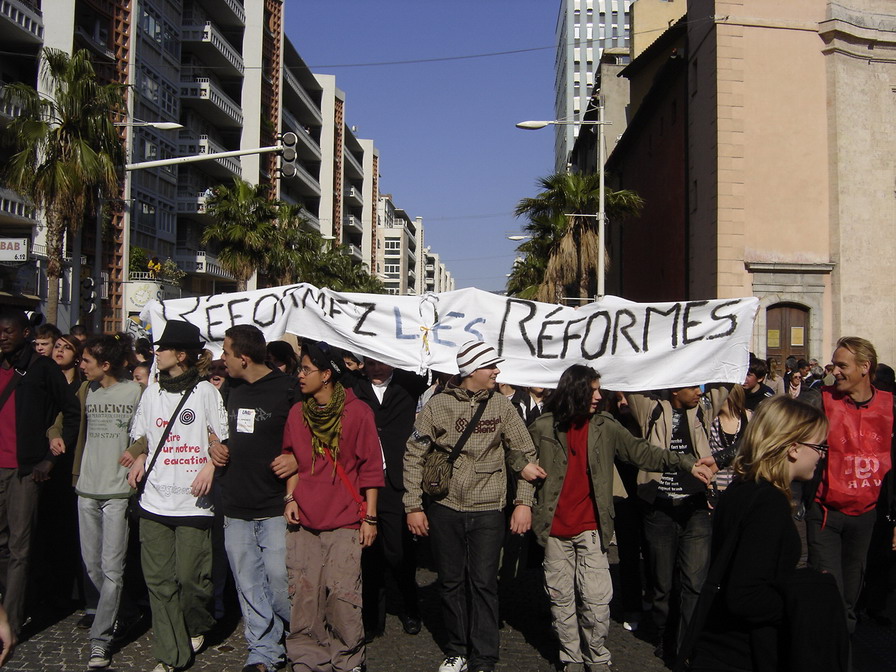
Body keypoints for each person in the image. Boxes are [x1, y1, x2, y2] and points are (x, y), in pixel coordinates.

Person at [529, 365, 713, 672]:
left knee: (597, 602)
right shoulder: (543, 427)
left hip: (592, 528)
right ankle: (571, 660)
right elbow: (519, 458)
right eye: (594, 391)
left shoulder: (605, 425)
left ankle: (597, 658)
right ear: (576, 392)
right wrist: (523, 474)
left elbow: (643, 452)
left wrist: (685, 463)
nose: (600, 396)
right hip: (554, 529)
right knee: (561, 602)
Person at [404, 340, 545, 672]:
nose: (497, 371)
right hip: (445, 508)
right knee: (450, 581)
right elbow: (413, 455)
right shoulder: (437, 406)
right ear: (471, 371)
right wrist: (413, 505)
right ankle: (457, 649)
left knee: (483, 583)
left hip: (488, 510)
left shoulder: (501, 406)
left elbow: (526, 454)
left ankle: (484, 657)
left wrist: (523, 502)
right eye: (491, 366)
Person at [690, 396, 846, 672]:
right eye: (819, 446)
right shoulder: (767, 502)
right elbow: (746, 596)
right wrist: (809, 595)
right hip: (742, 653)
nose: (822, 454)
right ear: (794, 448)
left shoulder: (744, 488)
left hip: (722, 646)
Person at [128, 321, 228, 672]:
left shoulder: (205, 393)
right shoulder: (152, 392)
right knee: (159, 582)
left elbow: (223, 440)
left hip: (193, 503)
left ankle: (198, 624)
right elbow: (140, 434)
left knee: (190, 579)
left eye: (163, 348)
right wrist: (138, 455)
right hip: (154, 501)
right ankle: (171, 655)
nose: (157, 352)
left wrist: (211, 468)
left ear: (181, 355)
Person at [282, 341, 383, 672]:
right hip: (304, 522)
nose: (300, 375)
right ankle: (307, 660)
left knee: (343, 598)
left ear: (327, 375)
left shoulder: (359, 412)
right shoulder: (298, 413)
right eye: (299, 369)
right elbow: (292, 459)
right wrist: (290, 498)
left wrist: (370, 517)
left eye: (306, 369)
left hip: (345, 520)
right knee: (304, 597)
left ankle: (348, 659)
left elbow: (371, 469)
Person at [210, 325, 298, 672]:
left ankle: (300, 637)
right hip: (235, 503)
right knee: (248, 583)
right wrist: (215, 446)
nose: (222, 359)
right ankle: (263, 651)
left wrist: (296, 459)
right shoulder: (229, 388)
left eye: (226, 353)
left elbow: (311, 436)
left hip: (276, 504)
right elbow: (219, 429)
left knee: (279, 582)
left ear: (243, 358)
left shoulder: (290, 389)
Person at [625, 382, 731, 663]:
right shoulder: (652, 409)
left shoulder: (704, 410)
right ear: (674, 390)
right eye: (693, 387)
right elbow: (632, 381)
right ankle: (663, 633)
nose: (699, 392)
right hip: (659, 508)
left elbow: (726, 380)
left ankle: (687, 642)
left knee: (695, 582)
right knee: (662, 585)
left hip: (694, 507)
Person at [804, 337, 895, 635]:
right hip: (825, 513)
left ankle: (843, 652)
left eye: (842, 365)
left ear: (865, 367)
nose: (835, 372)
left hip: (868, 515)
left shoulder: (891, 405)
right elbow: (779, 426)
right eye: (833, 365)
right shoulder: (819, 398)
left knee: (849, 597)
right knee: (827, 591)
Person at [65, 335, 144, 669]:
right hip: (86, 488)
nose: (82, 366)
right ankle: (127, 612)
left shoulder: (136, 393)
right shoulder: (86, 390)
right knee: (93, 565)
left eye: (87, 361)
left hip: (117, 492)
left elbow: (147, 432)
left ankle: (101, 640)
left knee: (112, 568)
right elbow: (65, 415)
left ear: (106, 365)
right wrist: (55, 434)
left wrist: (136, 451)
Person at [0, 308, 79, 636]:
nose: (3, 336)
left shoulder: (42, 368)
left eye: (9, 331)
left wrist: (49, 458)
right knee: (2, 546)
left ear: (26, 334)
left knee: (20, 547)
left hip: (25, 470)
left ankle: (13, 624)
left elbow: (72, 412)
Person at [353, 357, 428, 640]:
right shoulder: (355, 386)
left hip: (398, 480)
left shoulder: (409, 384)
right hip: (365, 481)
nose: (377, 369)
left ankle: (411, 607)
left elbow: (428, 363)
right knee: (369, 554)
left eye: (382, 363)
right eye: (371, 363)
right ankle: (373, 618)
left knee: (400, 553)